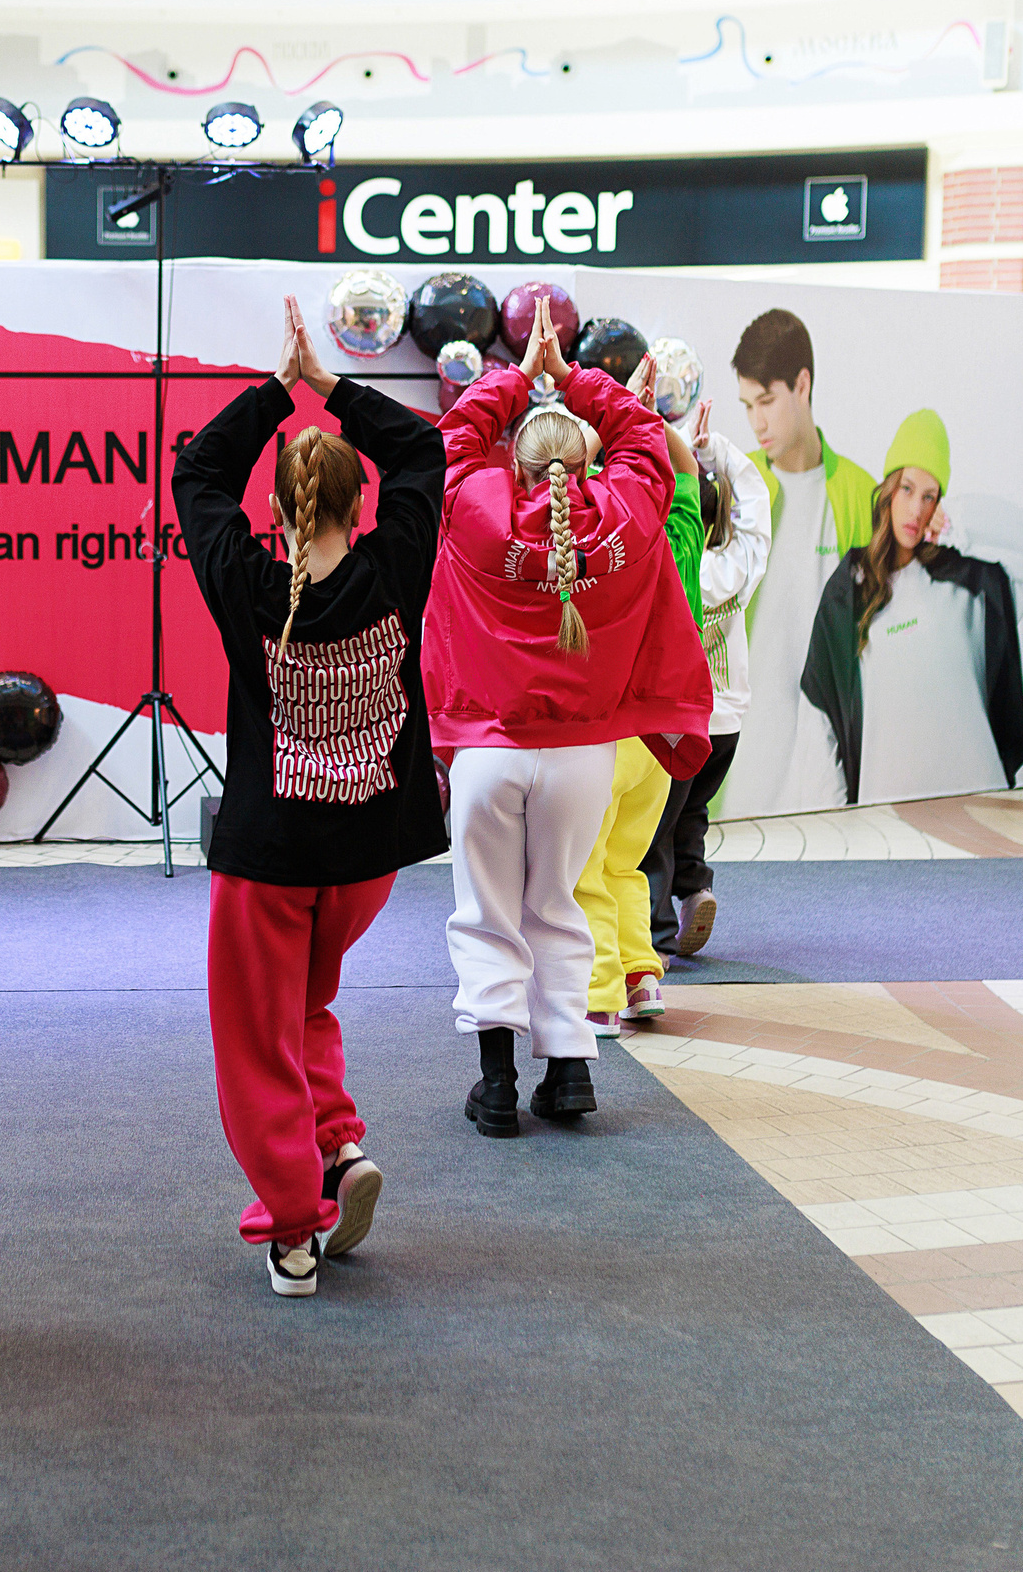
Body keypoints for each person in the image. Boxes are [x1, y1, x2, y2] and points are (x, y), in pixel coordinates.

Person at [170, 294, 445, 1298]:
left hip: (270, 861)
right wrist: (331, 387)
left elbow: (195, 472)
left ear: (282, 512)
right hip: (364, 862)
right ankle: (337, 1147)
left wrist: (275, 394)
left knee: (254, 1042)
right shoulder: (393, 566)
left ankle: (294, 1226)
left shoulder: (242, 580)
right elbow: (421, 452)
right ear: (355, 503)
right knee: (306, 1007)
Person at [425, 298, 711, 1139]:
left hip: (486, 754)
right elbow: (645, 439)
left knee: (488, 911)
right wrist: (577, 378)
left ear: (512, 464)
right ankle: (571, 1075)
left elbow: (453, 441)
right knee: (560, 903)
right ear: (586, 461)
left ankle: (497, 1085)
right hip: (584, 756)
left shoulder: (476, 508)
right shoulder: (627, 511)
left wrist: (520, 375)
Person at [792, 410, 1023, 806]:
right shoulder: (851, 587)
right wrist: (832, 821)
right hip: (883, 813)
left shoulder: (970, 581)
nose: (916, 509)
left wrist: (960, 521)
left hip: (978, 802)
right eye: (907, 488)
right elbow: (819, 712)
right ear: (888, 491)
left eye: (930, 496)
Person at [571, 395, 710, 1027]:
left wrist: (597, 433)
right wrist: (647, 422)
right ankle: (643, 977)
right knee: (628, 862)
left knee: (586, 870)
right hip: (667, 739)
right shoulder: (681, 536)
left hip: (611, 733)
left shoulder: (604, 550)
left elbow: (576, 487)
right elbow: (687, 482)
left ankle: (599, 994)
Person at [720, 309, 875, 817]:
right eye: (747, 406)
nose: (757, 422)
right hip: (739, 759)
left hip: (825, 759)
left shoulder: (861, 495)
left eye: (766, 401)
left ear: (802, 384)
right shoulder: (733, 486)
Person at [643, 430, 771, 961]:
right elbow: (758, 510)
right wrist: (717, 450)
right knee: (694, 811)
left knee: (655, 823)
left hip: (681, 720)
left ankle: (656, 930)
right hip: (729, 723)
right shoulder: (739, 567)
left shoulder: (675, 561)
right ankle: (696, 888)